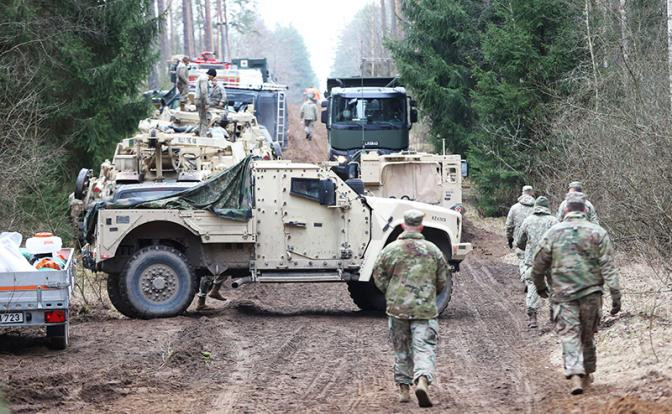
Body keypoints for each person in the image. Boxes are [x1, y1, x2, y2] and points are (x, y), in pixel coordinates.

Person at [531, 192, 621, 395]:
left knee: (570, 333)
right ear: (585, 209)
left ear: (565, 209)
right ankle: (587, 373)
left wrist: (540, 286)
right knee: (587, 335)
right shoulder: (598, 232)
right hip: (591, 294)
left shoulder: (553, 233)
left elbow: (538, 265)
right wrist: (616, 295)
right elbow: (609, 266)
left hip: (563, 295)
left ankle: (575, 374)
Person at [373, 209, 448, 408]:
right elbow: (442, 280)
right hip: (424, 309)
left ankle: (404, 390)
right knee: (424, 347)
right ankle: (422, 380)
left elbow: (378, 276)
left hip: (398, 308)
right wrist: (429, 293)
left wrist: (392, 292)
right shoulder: (433, 250)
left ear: (403, 225)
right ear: (421, 226)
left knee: (401, 348)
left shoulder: (390, 250)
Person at [515, 196, 559, 328]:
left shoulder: (528, 221)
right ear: (547, 207)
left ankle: (532, 318)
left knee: (532, 286)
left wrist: (527, 249)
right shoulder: (554, 221)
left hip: (533, 261)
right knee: (554, 286)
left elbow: (520, 242)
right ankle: (554, 315)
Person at [506, 185, 535, 284]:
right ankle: (532, 280)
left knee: (522, 259)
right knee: (533, 260)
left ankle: (526, 279)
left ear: (522, 193)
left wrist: (509, 239)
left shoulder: (514, 208)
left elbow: (509, 226)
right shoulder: (537, 208)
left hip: (519, 240)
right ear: (532, 193)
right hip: (534, 240)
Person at [194, 68, 216, 137]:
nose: (211, 80)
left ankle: (198, 131)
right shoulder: (204, 79)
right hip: (201, 100)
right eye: (212, 78)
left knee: (202, 118)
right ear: (211, 75)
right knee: (205, 119)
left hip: (199, 100)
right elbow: (204, 92)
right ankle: (203, 136)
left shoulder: (202, 77)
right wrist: (206, 103)